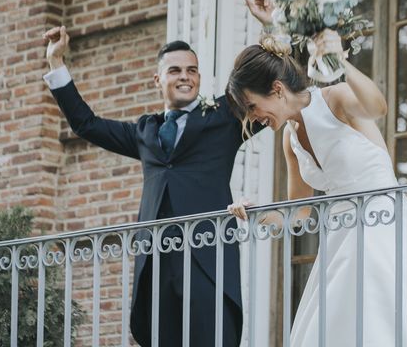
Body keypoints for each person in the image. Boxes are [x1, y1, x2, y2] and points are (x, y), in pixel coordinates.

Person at [227, 0, 407, 346]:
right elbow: (297, 214)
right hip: (340, 239)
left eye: (252, 106)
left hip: (383, 226)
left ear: (277, 90)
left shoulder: (335, 99)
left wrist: (338, 61)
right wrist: (256, 214)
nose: (253, 118)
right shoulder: (290, 139)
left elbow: (378, 107)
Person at [43, 26, 259, 347]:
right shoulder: (144, 131)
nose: (185, 77)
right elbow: (86, 124)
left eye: (192, 71)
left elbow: (267, 85)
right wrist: (56, 61)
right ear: (158, 80)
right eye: (175, 70)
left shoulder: (224, 116)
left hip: (207, 259)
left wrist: (275, 27)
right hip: (156, 263)